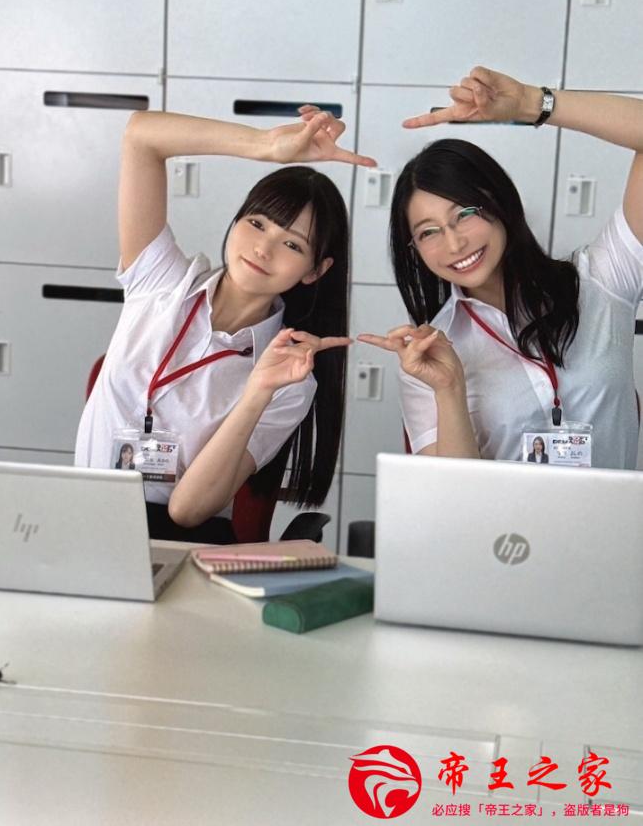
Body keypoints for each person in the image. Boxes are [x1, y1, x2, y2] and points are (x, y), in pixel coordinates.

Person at [75, 108, 376, 542]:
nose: (263, 248)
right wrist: (266, 146)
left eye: (292, 244)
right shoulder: (160, 281)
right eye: (256, 223)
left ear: (315, 270)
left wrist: (257, 392)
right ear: (235, 222)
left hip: (177, 543)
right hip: (85, 518)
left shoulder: (289, 378)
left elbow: (187, 511)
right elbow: (142, 135)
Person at [355, 66, 643, 469]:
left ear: (500, 203)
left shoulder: (602, 281)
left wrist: (530, 103)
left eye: (465, 213)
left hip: (611, 513)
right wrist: (449, 388)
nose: (454, 243)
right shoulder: (432, 353)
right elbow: (450, 495)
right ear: (414, 250)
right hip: (501, 517)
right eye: (428, 232)